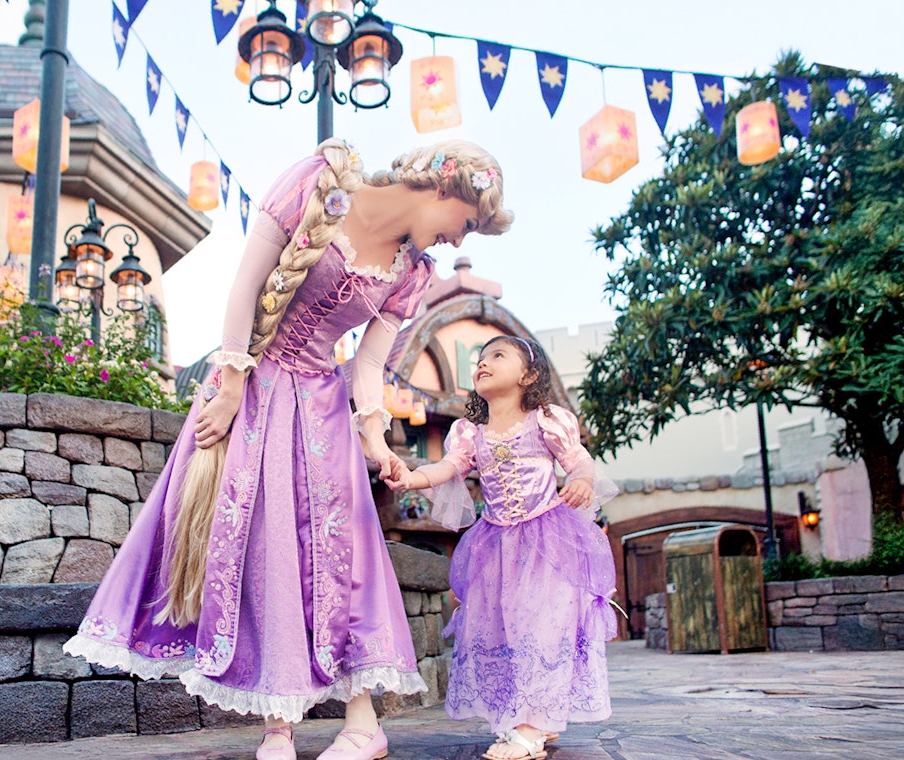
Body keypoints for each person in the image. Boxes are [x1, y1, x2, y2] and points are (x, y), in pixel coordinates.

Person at [64, 138, 513, 760]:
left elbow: (368, 366)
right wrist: (229, 383)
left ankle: (364, 724)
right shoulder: (316, 182)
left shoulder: (412, 274)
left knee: (343, 554)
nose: (458, 239)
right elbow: (246, 284)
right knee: (262, 549)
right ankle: (278, 725)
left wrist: (375, 437)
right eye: (465, 223)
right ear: (444, 188)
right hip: (251, 389)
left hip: (321, 410)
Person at [383, 335, 619, 760]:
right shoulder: (470, 433)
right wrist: (412, 478)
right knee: (505, 631)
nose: (483, 362)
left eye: (497, 355)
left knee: (542, 630)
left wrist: (582, 479)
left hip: (546, 543)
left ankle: (531, 727)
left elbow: (578, 459)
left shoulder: (546, 421)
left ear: (529, 375)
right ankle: (530, 717)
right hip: (496, 547)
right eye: (480, 357)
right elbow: (447, 467)